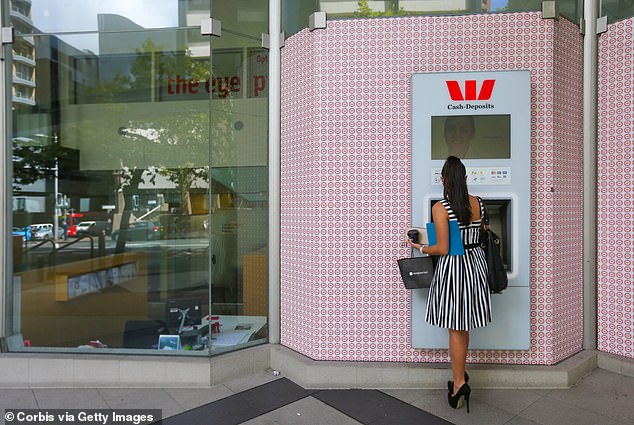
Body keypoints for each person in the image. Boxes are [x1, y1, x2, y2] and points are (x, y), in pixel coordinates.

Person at [408, 156, 491, 413]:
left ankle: (458, 383)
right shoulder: (478, 203)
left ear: (443, 180)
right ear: (465, 179)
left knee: (455, 327)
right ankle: (461, 376)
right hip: (475, 265)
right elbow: (483, 232)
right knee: (463, 325)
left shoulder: (441, 208)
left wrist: (420, 245)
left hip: (454, 268)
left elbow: (442, 248)